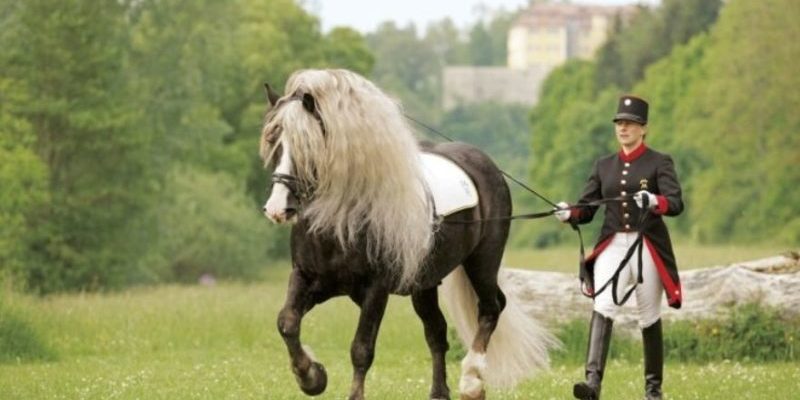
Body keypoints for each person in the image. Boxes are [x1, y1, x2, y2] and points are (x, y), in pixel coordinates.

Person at [554, 95, 683, 400]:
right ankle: (592, 384)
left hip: (647, 246)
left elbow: (676, 203)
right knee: (603, 306)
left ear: (643, 128)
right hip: (613, 244)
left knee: (649, 315)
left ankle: (653, 391)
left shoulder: (659, 162)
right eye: (619, 123)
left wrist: (654, 201)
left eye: (629, 123)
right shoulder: (603, 166)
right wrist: (568, 212)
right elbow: (586, 209)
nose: (622, 128)